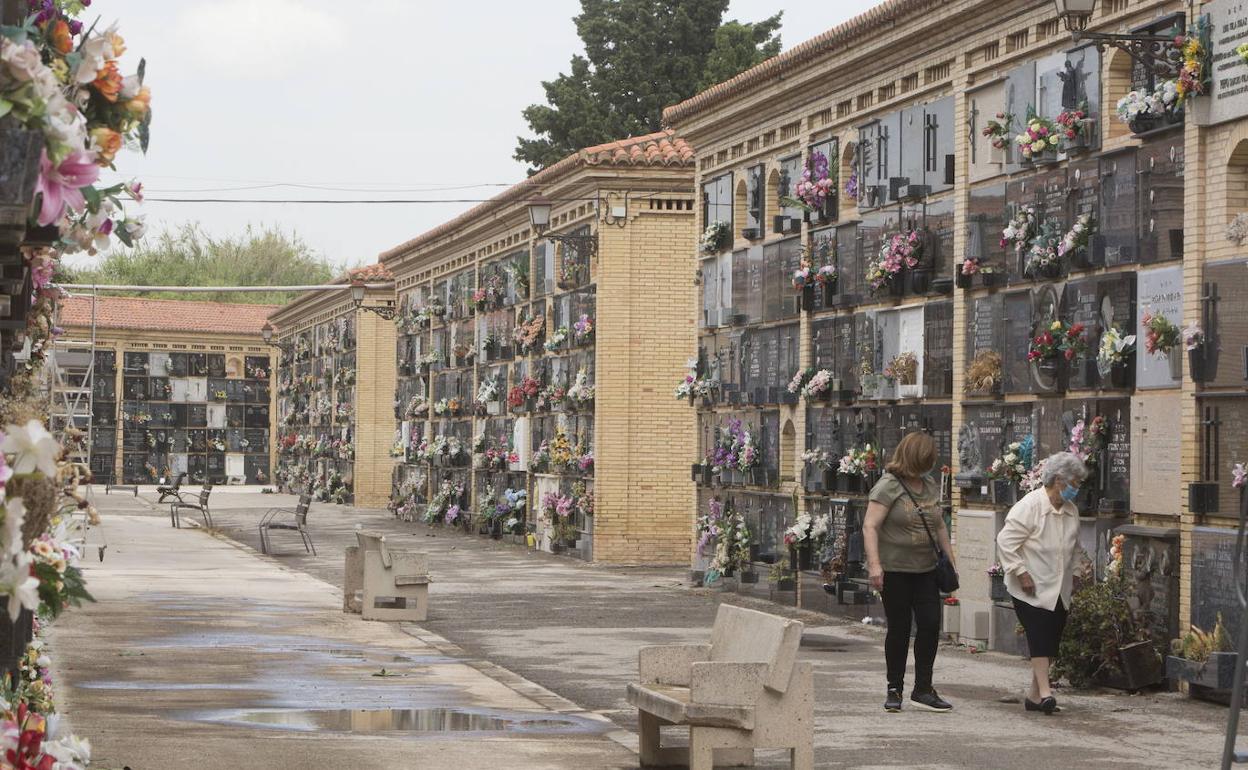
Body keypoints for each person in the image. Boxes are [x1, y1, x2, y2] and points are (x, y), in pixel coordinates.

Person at [863, 431, 954, 713]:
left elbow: (939, 526)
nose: (930, 462)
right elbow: (870, 526)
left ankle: (923, 688)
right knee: (900, 629)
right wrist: (875, 565)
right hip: (895, 570)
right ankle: (894, 688)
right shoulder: (888, 486)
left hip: (925, 568)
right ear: (915, 456)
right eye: (927, 458)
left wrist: (950, 561)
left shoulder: (928, 485)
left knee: (929, 625)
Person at [995, 451, 1087, 715]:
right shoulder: (1030, 505)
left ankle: (1034, 696)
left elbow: (1076, 547)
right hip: (1030, 585)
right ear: (1059, 480)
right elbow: (1006, 541)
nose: (1076, 489)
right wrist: (1020, 571)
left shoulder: (1071, 511)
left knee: (1052, 637)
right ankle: (1047, 693)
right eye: (1074, 483)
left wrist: (1078, 573)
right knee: (1039, 635)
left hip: (1059, 586)